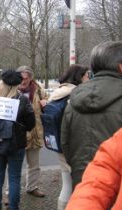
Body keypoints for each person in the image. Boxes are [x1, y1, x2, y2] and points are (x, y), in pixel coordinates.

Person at [61, 41, 122, 191]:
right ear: (121, 65)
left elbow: (65, 143)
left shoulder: (73, 100)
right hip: (120, 184)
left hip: (83, 179)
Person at [65, 105, 122, 210]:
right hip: (100, 184)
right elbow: (110, 161)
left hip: (81, 165)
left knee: (66, 187)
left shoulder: (71, 104)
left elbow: (64, 140)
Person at [0, 69, 36, 210]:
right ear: (16, 84)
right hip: (16, 144)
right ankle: (13, 207)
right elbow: (31, 123)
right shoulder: (22, 100)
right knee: (14, 178)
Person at [47, 64, 89, 210]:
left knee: (66, 183)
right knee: (76, 185)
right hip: (73, 145)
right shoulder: (75, 94)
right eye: (86, 75)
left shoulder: (58, 92)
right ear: (79, 77)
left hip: (58, 143)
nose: (88, 78)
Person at [16, 65, 46, 197]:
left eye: (26, 79)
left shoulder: (38, 89)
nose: (23, 81)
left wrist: (46, 102)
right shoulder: (12, 89)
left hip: (35, 132)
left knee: (34, 164)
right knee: (14, 166)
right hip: (17, 134)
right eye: (21, 78)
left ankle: (32, 187)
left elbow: (47, 100)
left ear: (30, 78)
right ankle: (10, 192)